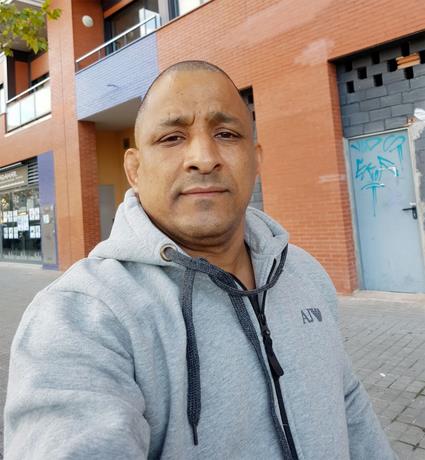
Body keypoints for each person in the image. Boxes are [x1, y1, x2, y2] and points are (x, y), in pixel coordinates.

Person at [4, 60, 397, 460]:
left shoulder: (303, 273)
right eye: (172, 138)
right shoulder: (83, 316)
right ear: (134, 170)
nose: (204, 158)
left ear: (256, 160)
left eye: (226, 134)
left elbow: (347, 403)